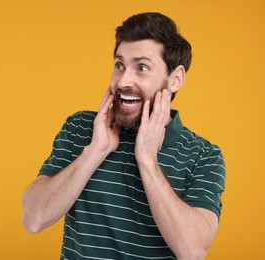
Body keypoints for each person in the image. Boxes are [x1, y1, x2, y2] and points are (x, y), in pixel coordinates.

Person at [21, 12, 226, 260]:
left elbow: (193, 251)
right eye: (119, 65)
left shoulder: (203, 155)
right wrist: (95, 151)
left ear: (175, 79)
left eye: (142, 67)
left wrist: (148, 161)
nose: (123, 81)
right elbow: (33, 219)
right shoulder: (81, 128)